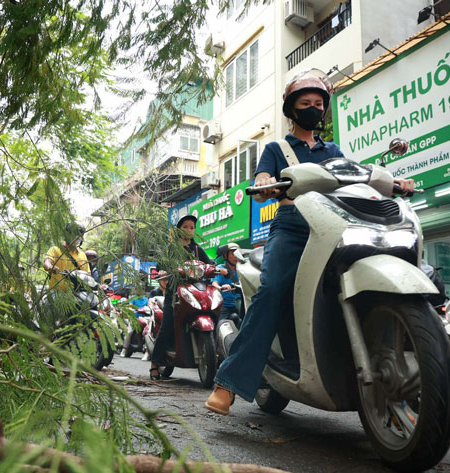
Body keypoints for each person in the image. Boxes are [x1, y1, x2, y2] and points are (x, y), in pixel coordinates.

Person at [205, 69, 415, 414]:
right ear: (292, 109)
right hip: (292, 228)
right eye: (306, 103)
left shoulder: (333, 150)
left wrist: (394, 183)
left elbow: (356, 176)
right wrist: (267, 183)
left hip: (335, 226)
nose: (314, 109)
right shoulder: (277, 148)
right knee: (271, 291)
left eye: (319, 104)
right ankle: (227, 383)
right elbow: (261, 180)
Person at [150, 215, 213, 380]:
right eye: (186, 226)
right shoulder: (171, 248)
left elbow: (209, 264)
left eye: (192, 227)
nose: (189, 230)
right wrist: (163, 270)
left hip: (194, 290)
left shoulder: (197, 249)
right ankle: (155, 364)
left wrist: (217, 268)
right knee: (167, 325)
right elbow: (160, 265)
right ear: (179, 229)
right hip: (174, 292)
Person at [43, 222, 90, 290]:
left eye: (80, 235)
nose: (77, 237)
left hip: (76, 294)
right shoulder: (56, 250)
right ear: (67, 234)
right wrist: (50, 267)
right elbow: (47, 263)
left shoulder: (82, 255)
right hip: (56, 292)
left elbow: (87, 276)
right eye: (74, 234)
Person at [212, 243, 240, 322]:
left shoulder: (242, 269)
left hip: (240, 305)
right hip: (225, 307)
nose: (235, 256)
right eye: (233, 253)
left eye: (237, 253)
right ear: (225, 255)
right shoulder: (220, 269)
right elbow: (214, 283)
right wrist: (221, 288)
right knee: (222, 325)